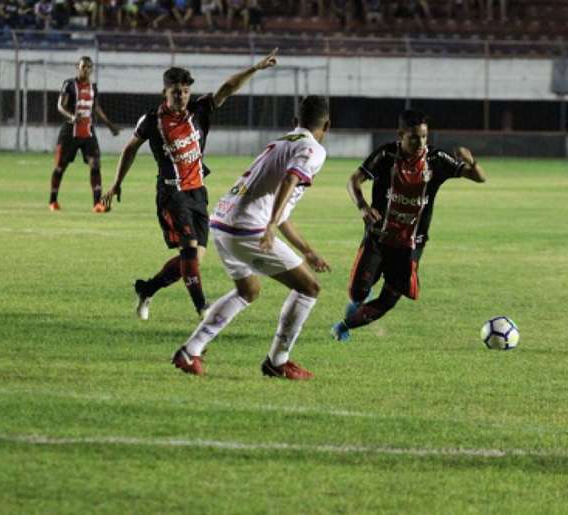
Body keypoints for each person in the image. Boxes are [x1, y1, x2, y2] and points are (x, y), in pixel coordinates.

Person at [101, 50, 278, 321]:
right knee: (190, 255)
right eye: (175, 91)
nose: (181, 96)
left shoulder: (198, 109)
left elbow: (227, 88)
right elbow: (130, 148)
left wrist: (255, 68)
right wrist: (116, 183)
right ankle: (203, 310)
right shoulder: (152, 120)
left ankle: (147, 288)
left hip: (197, 191)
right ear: (165, 92)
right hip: (172, 193)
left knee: (193, 262)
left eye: (185, 91)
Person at [171, 95, 331, 380]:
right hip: (247, 228)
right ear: (327, 126)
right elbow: (290, 181)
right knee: (309, 288)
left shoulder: (282, 142)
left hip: (222, 221)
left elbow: (279, 210)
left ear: (295, 122)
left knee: (248, 290)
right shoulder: (313, 149)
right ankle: (278, 361)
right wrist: (269, 225)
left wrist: (307, 250)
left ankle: (190, 350)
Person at [330, 109, 487, 342]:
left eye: (424, 137)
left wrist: (471, 161)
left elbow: (479, 178)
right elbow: (353, 181)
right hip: (379, 236)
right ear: (400, 135)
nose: (420, 142)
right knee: (357, 292)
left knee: (391, 298)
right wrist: (363, 206)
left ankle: (343, 327)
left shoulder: (435, 160)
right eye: (414, 137)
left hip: (411, 243)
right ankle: (360, 298)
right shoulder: (385, 156)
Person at [49, 56, 120, 213]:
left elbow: (96, 108)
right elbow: (60, 105)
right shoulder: (69, 84)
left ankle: (97, 203)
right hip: (70, 132)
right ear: (77, 67)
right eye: (83, 67)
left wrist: (110, 125)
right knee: (60, 167)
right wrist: (72, 117)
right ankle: (53, 201)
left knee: (95, 164)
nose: (86, 70)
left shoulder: (93, 87)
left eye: (89, 67)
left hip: (88, 131)